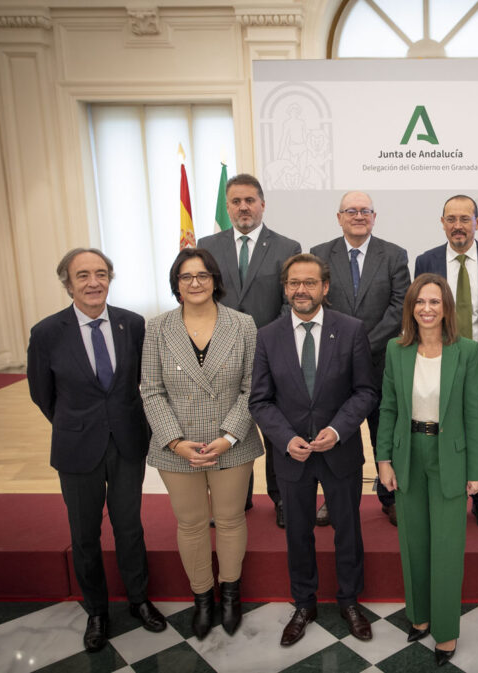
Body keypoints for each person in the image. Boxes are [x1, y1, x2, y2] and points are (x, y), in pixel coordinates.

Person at [27, 248, 166, 653]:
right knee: (84, 535)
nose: (93, 282)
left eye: (101, 273)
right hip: (76, 447)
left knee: (130, 527)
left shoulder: (132, 324)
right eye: (83, 275)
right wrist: (77, 424)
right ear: (68, 283)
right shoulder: (47, 332)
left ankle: (139, 601)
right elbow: (42, 394)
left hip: (126, 443)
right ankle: (97, 611)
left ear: (110, 278)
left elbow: (145, 380)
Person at [249, 253, 378, 647]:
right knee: (298, 533)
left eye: (309, 283)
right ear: (285, 288)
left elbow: (366, 391)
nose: (300, 290)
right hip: (292, 454)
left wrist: (338, 430)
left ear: (324, 287)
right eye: (293, 283)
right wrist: (286, 438)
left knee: (347, 530)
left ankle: (349, 600)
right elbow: (260, 400)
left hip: (339, 451)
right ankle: (304, 603)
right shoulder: (268, 336)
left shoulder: (352, 330)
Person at [140, 247, 263, 639]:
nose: (195, 283)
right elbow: (150, 390)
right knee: (191, 524)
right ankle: (202, 598)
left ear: (215, 280)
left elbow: (252, 388)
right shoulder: (156, 328)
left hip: (232, 442)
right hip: (177, 445)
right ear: (176, 284)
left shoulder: (243, 325)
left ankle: (230, 595)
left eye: (202, 275)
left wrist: (228, 436)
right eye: (186, 276)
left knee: (229, 520)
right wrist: (175, 441)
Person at [375, 273, 478, 666]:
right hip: (408, 453)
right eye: (420, 302)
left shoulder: (467, 351)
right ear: (411, 307)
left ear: (446, 309)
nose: (427, 309)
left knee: (446, 546)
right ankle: (419, 617)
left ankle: (445, 630)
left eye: (435, 302)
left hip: (450, 456)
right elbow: (387, 407)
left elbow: (475, 412)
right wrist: (383, 459)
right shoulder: (396, 349)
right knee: (414, 541)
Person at [198, 173, 301, 528]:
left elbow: (292, 303)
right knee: (228, 426)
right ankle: (235, 497)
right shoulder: (207, 245)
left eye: (250, 200)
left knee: (275, 430)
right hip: (221, 357)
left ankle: (281, 499)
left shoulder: (287, 247)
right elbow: (202, 298)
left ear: (262, 204)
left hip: (271, 355)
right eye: (236, 202)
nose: (243, 207)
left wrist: (270, 344)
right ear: (227, 207)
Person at [414, 194, 478, 531]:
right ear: (442, 223)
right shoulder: (425, 260)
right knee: (443, 426)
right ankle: (447, 493)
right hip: (440, 357)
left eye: (465, 218)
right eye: (451, 219)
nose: (458, 226)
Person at [311, 191, 410, 526]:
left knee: (387, 430)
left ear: (374, 216)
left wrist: (362, 344)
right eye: (350, 210)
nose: (358, 215)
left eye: (364, 210)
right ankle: (335, 497)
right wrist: (345, 347)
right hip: (335, 365)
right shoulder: (320, 255)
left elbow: (400, 307)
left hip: (382, 362)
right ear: (339, 217)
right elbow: (317, 305)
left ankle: (391, 496)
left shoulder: (394, 255)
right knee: (337, 433)